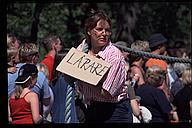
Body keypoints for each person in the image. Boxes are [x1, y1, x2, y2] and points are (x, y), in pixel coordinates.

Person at [65, 10, 132, 123]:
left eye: (107, 30)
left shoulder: (114, 55)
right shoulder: (82, 48)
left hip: (115, 113)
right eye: (99, 29)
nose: (104, 33)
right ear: (89, 31)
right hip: (93, 108)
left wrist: (82, 74)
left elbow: (106, 93)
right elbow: (68, 75)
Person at [8, 43, 51, 118]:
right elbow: (47, 102)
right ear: (34, 57)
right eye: (38, 57)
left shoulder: (9, 74)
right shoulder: (40, 76)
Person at [145, 33, 169, 98]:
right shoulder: (160, 63)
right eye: (164, 45)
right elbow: (163, 84)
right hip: (160, 96)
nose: (165, 47)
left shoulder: (147, 61)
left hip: (149, 95)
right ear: (159, 46)